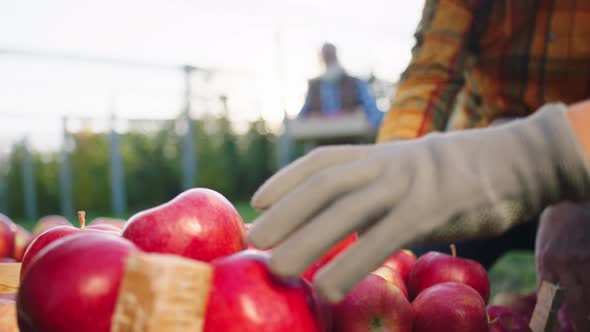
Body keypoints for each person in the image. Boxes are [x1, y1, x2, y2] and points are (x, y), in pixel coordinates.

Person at [248, 101, 590, 331]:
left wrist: (555, 156)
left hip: (551, 156)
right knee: (429, 273)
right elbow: (433, 68)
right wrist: (396, 152)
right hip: (474, 154)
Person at [376, 1, 590, 268]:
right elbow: (431, 71)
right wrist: (396, 169)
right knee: (412, 257)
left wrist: (577, 189)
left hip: (583, 162)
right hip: (485, 168)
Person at [299, 43, 383, 130]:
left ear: (336, 55)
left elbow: (373, 111)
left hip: (352, 138)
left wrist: (370, 123)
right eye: (326, 55)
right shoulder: (314, 87)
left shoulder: (355, 83)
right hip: (320, 139)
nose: (328, 58)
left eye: (330, 54)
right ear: (322, 58)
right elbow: (301, 117)